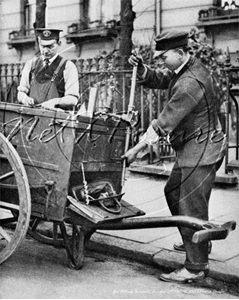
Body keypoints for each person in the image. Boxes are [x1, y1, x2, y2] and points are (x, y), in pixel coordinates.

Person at [123, 30, 226, 283]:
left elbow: (164, 122)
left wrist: (136, 150)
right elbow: (164, 77)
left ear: (180, 53)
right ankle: (197, 240)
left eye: (163, 56)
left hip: (201, 152)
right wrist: (144, 70)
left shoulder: (192, 82)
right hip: (195, 149)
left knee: (191, 205)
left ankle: (195, 266)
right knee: (174, 191)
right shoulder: (186, 68)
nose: (161, 61)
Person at [17, 28, 79, 110]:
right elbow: (20, 93)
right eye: (42, 46)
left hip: (56, 119)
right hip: (32, 118)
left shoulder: (68, 67)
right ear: (39, 43)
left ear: (59, 44)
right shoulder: (30, 65)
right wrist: (25, 99)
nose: (45, 51)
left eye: (50, 47)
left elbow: (73, 99)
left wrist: (55, 102)